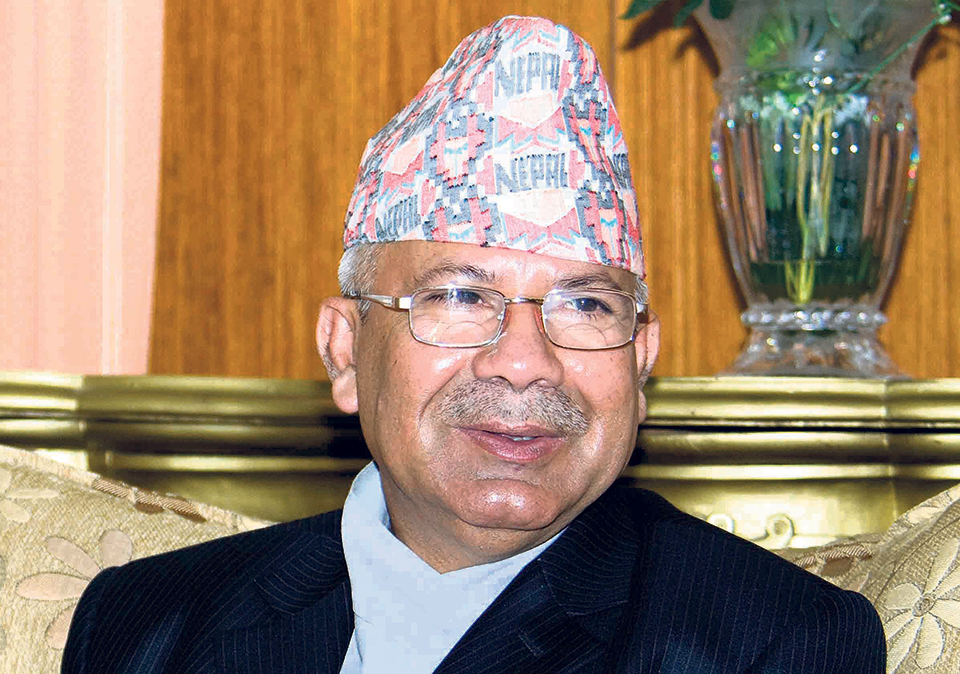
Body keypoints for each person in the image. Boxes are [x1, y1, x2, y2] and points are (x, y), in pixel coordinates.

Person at [62, 15, 885, 673]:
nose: (524, 362)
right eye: (459, 297)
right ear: (345, 350)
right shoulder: (145, 624)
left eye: (585, 305)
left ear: (640, 365)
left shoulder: (772, 643)